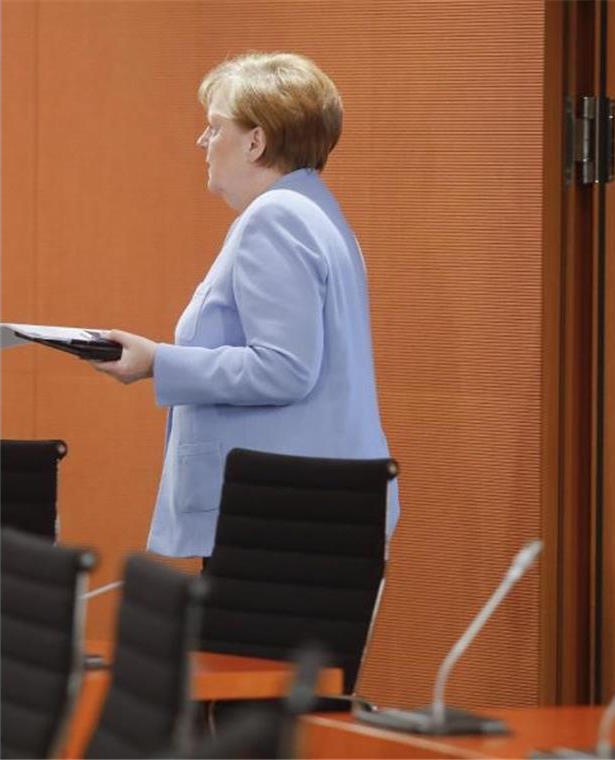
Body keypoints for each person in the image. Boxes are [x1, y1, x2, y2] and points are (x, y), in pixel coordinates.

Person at [91, 52, 399, 558]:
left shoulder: (276, 218)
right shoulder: (316, 211)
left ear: (256, 141)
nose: (202, 141)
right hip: (312, 510)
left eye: (215, 127)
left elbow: (283, 368)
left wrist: (156, 362)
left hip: (282, 518)